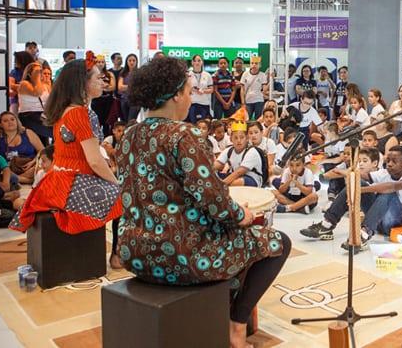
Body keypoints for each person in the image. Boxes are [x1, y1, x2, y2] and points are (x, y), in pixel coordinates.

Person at [114, 56, 289, 348]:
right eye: (188, 91)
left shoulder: (131, 134)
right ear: (175, 95)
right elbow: (215, 200)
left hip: (134, 252)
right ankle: (236, 325)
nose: (190, 97)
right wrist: (241, 215)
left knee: (236, 239)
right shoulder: (184, 135)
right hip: (183, 255)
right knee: (276, 242)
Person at [8, 58, 123, 258]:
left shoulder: (65, 110)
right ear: (82, 83)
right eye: (97, 77)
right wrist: (117, 184)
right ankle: (117, 255)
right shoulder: (80, 113)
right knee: (125, 197)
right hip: (73, 182)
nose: (102, 81)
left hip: (56, 180)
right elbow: (94, 161)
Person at [300, 145, 402, 252]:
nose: (390, 164)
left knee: (388, 193)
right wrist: (345, 173)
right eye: (388, 161)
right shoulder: (384, 172)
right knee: (356, 182)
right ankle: (327, 224)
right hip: (379, 222)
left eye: (394, 161)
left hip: (396, 222)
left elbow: (392, 187)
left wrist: (359, 190)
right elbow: (362, 175)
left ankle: (363, 234)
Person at [214, 111, 267, 187]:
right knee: (213, 176)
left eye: (242, 137)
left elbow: (239, 172)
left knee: (238, 182)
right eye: (235, 138)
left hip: (252, 179)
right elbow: (217, 165)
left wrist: (221, 185)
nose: (239, 140)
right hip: (234, 176)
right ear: (231, 139)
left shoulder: (252, 152)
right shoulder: (229, 150)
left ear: (247, 138)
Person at [0, 111, 45, 184]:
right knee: (3, 171)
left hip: (31, 165)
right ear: (0, 125)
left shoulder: (28, 133)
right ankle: (27, 180)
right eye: (5, 121)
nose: (10, 122)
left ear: (17, 121)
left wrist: (33, 162)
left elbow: (42, 150)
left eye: (12, 119)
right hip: (9, 168)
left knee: (42, 167)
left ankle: (18, 179)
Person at [17, 53, 53, 143]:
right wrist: (37, 78)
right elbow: (36, 93)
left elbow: (51, 100)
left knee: (52, 133)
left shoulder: (44, 85)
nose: (41, 73)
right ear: (29, 74)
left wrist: (48, 84)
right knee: (52, 132)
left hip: (42, 115)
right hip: (28, 115)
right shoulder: (24, 84)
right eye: (38, 71)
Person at [90, 52, 116, 136]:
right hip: (97, 101)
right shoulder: (92, 75)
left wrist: (102, 87)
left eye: (102, 62)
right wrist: (104, 86)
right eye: (98, 62)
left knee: (107, 122)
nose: (101, 64)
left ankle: (107, 138)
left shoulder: (109, 74)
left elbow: (112, 87)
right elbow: (91, 87)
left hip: (108, 100)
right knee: (97, 121)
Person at [187, 54, 213, 123]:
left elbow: (211, 89)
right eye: (195, 61)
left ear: (202, 62)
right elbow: (185, 89)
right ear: (192, 62)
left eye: (199, 60)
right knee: (193, 125)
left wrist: (203, 91)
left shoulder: (207, 75)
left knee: (203, 125)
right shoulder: (188, 75)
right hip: (192, 103)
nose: (197, 63)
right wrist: (192, 89)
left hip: (204, 104)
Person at [117, 53, 140, 122]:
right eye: (129, 60)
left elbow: (139, 87)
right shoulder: (123, 73)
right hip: (124, 100)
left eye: (133, 60)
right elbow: (120, 87)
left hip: (135, 101)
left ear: (136, 62)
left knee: (131, 121)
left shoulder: (139, 73)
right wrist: (132, 86)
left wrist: (126, 87)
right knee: (124, 121)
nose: (132, 62)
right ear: (126, 62)